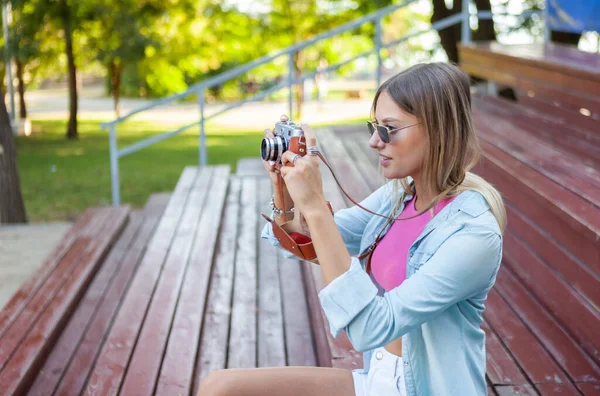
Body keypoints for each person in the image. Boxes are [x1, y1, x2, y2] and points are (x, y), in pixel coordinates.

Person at [196, 62, 506, 396]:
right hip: (378, 377)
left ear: (438, 130)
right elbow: (310, 240)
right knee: (220, 386)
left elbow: (370, 327)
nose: (374, 141)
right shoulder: (398, 198)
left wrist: (315, 203)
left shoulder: (473, 234)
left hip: (424, 387)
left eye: (389, 129)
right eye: (373, 126)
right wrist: (284, 189)